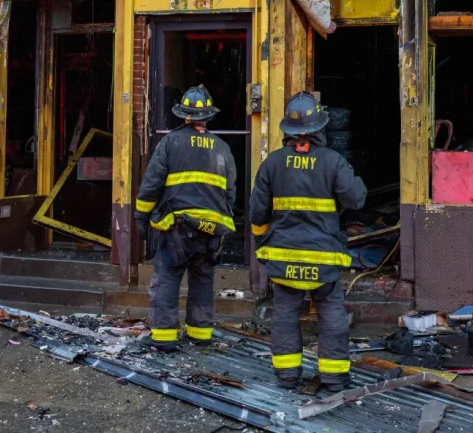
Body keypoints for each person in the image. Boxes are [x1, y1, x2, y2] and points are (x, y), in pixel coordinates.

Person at [249, 92, 366, 391]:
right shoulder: (333, 161)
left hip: (284, 259)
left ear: (286, 129)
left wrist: (262, 244)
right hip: (323, 260)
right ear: (320, 128)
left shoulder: (272, 164)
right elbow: (355, 199)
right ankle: (334, 376)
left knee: (286, 313)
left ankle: (287, 376)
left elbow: (258, 211)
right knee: (331, 315)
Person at [135, 85, 237, 351]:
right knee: (202, 279)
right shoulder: (223, 148)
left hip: (177, 229)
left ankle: (165, 339)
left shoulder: (170, 142)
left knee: (167, 278)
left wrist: (141, 218)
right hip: (213, 230)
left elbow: (151, 186)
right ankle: (200, 335)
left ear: (183, 115)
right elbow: (230, 194)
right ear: (207, 116)